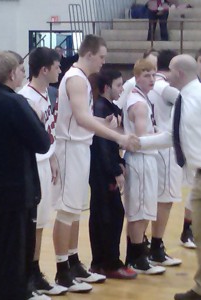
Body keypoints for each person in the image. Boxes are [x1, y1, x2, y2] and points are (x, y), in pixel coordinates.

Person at [50, 34, 140, 292]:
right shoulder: (76, 79)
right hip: (69, 147)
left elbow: (85, 118)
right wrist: (118, 135)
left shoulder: (81, 79)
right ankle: (61, 270)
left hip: (80, 145)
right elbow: (81, 118)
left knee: (76, 209)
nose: (103, 62)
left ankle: (74, 260)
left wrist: (105, 123)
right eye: (101, 57)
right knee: (67, 211)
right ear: (89, 54)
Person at [0, 50, 51, 300]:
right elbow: (42, 143)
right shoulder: (15, 103)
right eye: (21, 70)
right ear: (11, 74)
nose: (23, 74)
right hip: (16, 194)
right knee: (14, 259)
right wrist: (38, 119)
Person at [18, 47, 68, 298]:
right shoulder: (26, 98)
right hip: (33, 167)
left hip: (45, 162)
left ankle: (35, 272)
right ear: (44, 69)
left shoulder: (45, 93)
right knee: (32, 224)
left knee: (41, 224)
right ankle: (26, 276)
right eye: (57, 66)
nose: (60, 69)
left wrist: (54, 158)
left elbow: (48, 132)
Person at [89, 69, 137, 279]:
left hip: (107, 167)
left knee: (108, 215)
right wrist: (115, 170)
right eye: (118, 85)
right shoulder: (100, 109)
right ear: (107, 87)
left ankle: (101, 262)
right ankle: (108, 263)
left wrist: (119, 161)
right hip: (102, 172)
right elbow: (102, 144)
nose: (122, 88)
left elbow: (114, 141)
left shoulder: (110, 107)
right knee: (109, 216)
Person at [123, 59, 166, 275]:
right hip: (139, 159)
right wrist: (163, 136)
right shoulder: (138, 102)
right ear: (137, 77)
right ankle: (137, 257)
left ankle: (135, 254)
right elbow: (140, 136)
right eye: (146, 75)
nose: (151, 79)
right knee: (138, 211)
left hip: (146, 159)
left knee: (145, 209)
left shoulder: (144, 98)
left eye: (154, 74)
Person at [166, 54, 201, 300]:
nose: (165, 75)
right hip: (197, 176)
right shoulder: (183, 98)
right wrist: (134, 142)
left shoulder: (197, 97)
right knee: (199, 233)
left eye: (169, 70)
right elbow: (172, 136)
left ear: (179, 73)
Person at [148, 49, 182, 266]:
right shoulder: (165, 88)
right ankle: (156, 247)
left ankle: (145, 247)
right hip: (165, 148)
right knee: (165, 200)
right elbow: (188, 102)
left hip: (149, 146)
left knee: (150, 199)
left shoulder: (137, 83)